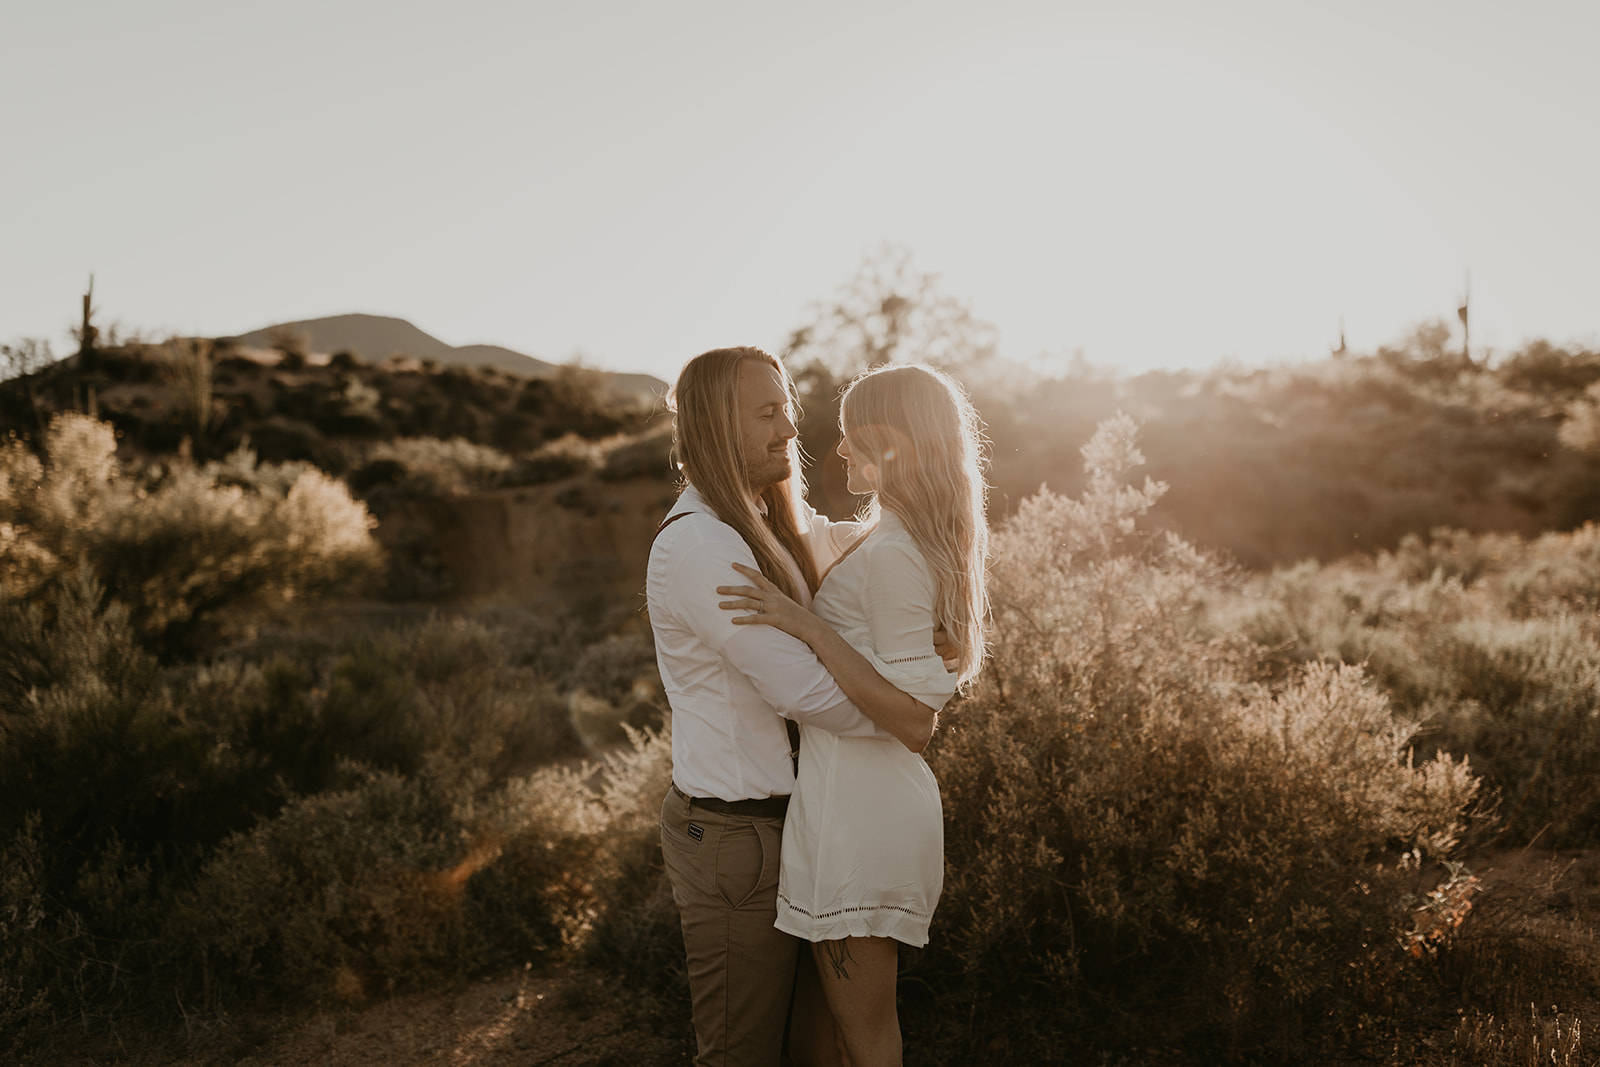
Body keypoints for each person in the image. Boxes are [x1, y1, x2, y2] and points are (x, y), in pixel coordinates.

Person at [647, 347, 946, 1067]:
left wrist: (918, 584)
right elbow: (805, 693)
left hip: (804, 823)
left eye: (786, 405)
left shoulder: (762, 516)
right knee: (743, 1053)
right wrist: (906, 703)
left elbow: (847, 545)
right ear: (718, 427)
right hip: (734, 839)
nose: (790, 426)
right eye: (766, 412)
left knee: (820, 1045)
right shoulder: (702, 548)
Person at [716, 362, 989, 1067]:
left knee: (867, 1039)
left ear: (898, 440)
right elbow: (826, 544)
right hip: (842, 806)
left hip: (861, 819)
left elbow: (914, 721)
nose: (835, 453)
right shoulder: (884, 536)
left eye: (851, 437)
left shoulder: (897, 552)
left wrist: (806, 628)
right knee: (827, 1032)